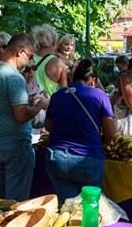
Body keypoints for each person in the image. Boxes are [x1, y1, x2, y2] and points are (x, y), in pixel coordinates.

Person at [0, 33, 49, 201]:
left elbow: (1, 102)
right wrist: (41, 104)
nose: (29, 63)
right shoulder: (15, 77)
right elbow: (21, 116)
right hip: (15, 145)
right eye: (30, 57)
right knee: (15, 203)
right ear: (20, 52)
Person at [44, 59, 117, 203]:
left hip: (56, 158)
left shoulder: (58, 95)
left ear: (72, 78)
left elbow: (48, 126)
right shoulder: (100, 95)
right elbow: (111, 135)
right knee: (90, 208)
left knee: (66, 209)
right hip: (88, 159)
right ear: (93, 80)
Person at [31, 24, 68, 98]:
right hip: (50, 107)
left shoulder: (29, 59)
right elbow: (63, 93)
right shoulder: (59, 64)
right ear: (54, 43)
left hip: (31, 106)